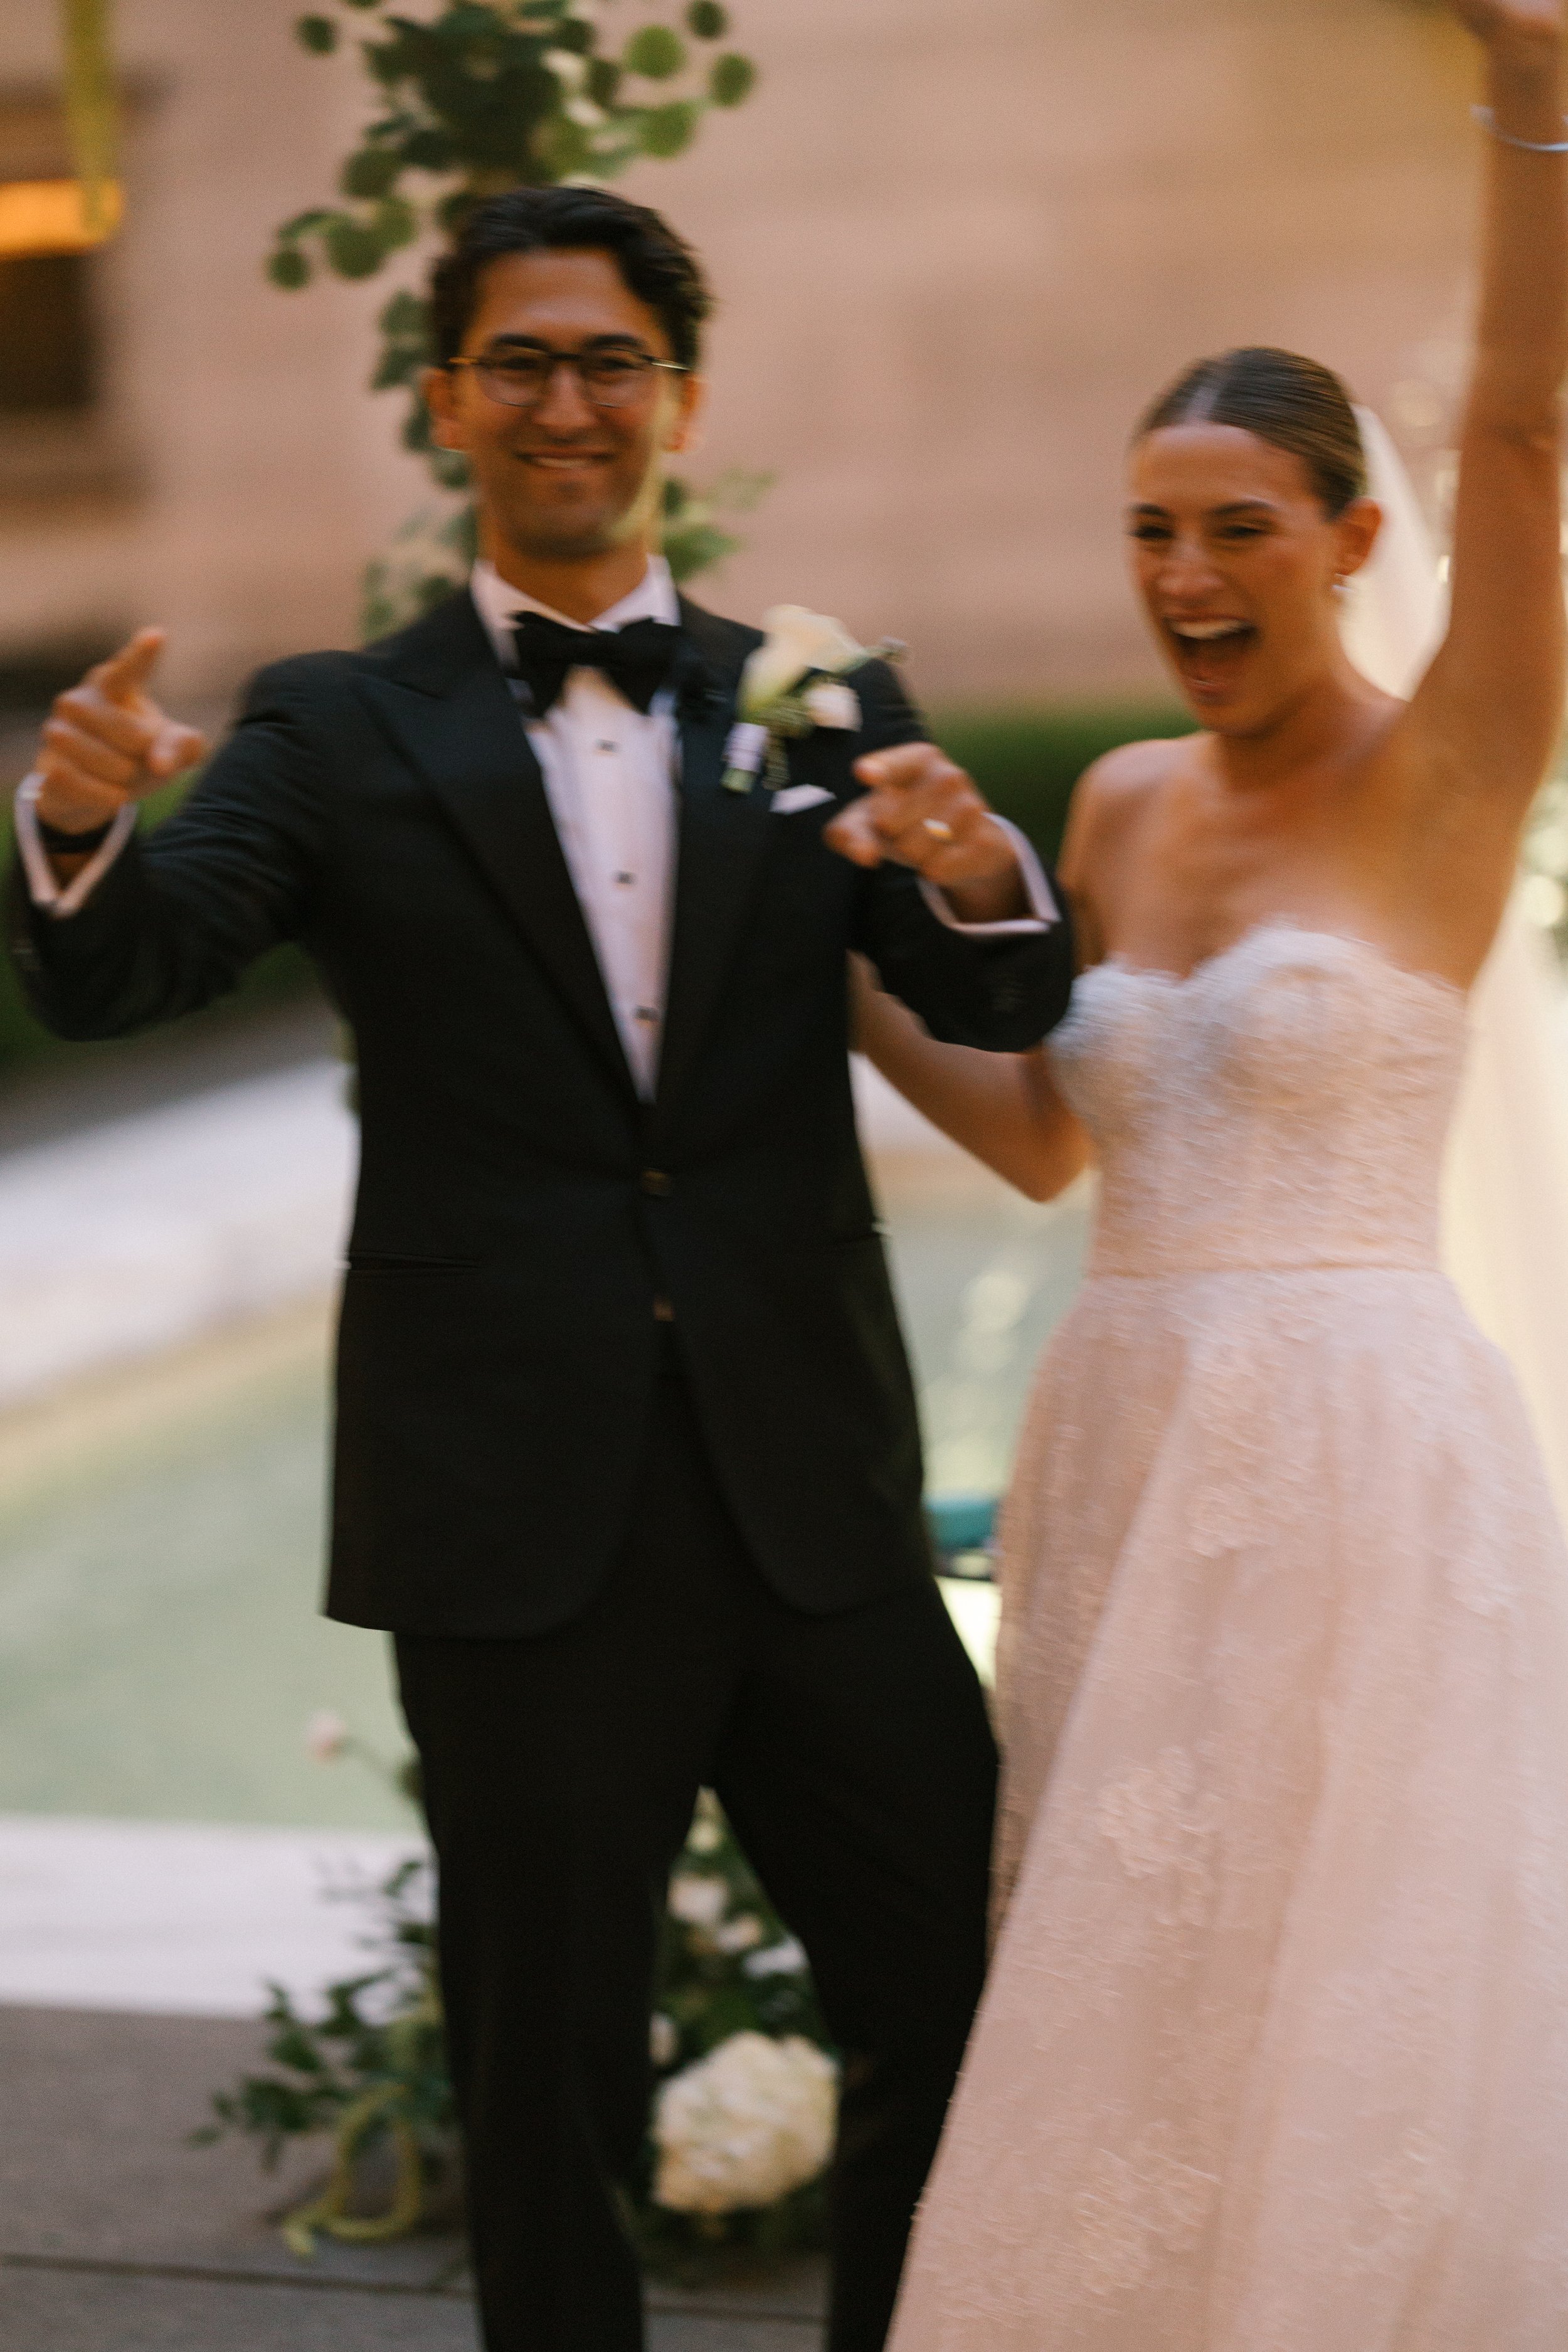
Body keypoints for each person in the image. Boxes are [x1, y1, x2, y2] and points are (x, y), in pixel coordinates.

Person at [7, 187, 1075, 2352]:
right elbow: (135, 968)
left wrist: (975, 876)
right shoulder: (329, 725)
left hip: (810, 1506)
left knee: (959, 1986)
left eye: (607, 361)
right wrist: (78, 826)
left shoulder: (815, 696)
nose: (565, 402)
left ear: (676, 398)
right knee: (542, 2084)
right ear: (446, 402)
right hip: (512, 1520)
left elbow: (988, 1002)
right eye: (519, 361)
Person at [854, 1, 1568, 2342]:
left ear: (1350, 538)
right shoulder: (1118, 806)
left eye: (1234, 528)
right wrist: (823, 972)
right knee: (1125, 1998)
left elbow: (1522, 418)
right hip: (1127, 1451)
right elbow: (1057, 1144)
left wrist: (1531, 89)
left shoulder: (1443, 771)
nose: (1182, 573)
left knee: (1340, 2000)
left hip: (1359, 1464)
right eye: (1148, 531)